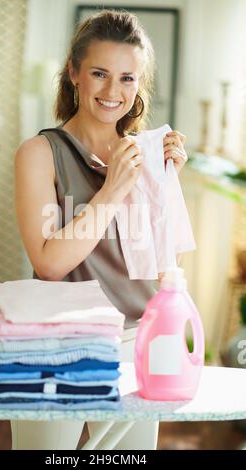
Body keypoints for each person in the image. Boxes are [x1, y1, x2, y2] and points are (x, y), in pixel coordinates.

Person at [12, 9, 188, 450]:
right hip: (57, 344)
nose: (114, 91)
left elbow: (162, 266)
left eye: (128, 78)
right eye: (99, 73)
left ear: (139, 83)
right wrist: (111, 191)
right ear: (74, 73)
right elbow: (49, 263)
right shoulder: (40, 153)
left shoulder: (143, 154)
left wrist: (165, 183)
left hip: (138, 341)